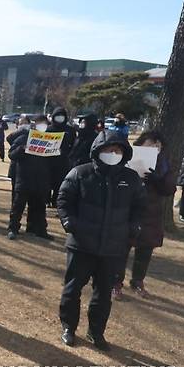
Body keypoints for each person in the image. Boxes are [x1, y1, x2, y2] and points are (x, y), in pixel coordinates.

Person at [58, 130, 146, 350]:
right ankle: (69, 327)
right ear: (98, 150)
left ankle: (96, 332)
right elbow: (64, 199)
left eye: (117, 150)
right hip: (81, 244)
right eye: (109, 149)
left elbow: (139, 206)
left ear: (124, 153)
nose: (113, 153)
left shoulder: (131, 178)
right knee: (72, 289)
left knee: (103, 293)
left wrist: (133, 227)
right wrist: (69, 223)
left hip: (113, 247)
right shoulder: (80, 173)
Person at [113, 131, 176, 299]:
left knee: (145, 250)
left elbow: (170, 189)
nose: (154, 148)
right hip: (128, 211)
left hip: (151, 214)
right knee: (121, 249)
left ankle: (138, 281)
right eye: (150, 145)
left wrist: (158, 179)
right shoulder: (128, 159)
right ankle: (115, 283)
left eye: (157, 146)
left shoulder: (165, 164)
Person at [6, 115, 53, 240]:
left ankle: (38, 229)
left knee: (39, 207)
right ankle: (13, 228)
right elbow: (12, 154)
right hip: (24, 178)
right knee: (18, 206)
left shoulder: (50, 139)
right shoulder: (25, 137)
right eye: (39, 123)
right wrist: (23, 148)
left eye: (45, 124)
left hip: (41, 179)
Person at [47, 107, 76, 207]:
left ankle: (55, 200)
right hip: (49, 159)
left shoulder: (70, 130)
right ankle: (46, 199)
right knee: (47, 180)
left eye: (62, 116)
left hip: (63, 160)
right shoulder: (49, 129)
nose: (60, 118)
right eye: (57, 116)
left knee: (59, 182)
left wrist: (68, 154)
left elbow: (73, 144)